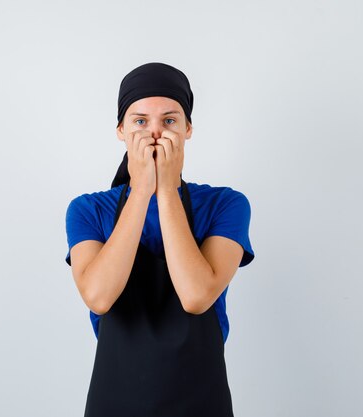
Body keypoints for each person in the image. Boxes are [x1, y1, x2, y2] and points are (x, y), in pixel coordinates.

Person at [64, 62, 255, 416]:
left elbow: (197, 296)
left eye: (169, 120)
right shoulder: (88, 210)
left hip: (200, 399)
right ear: (121, 130)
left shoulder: (225, 204)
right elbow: (99, 297)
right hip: (115, 400)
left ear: (188, 129)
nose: (154, 133)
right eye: (140, 121)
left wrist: (166, 191)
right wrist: (140, 192)